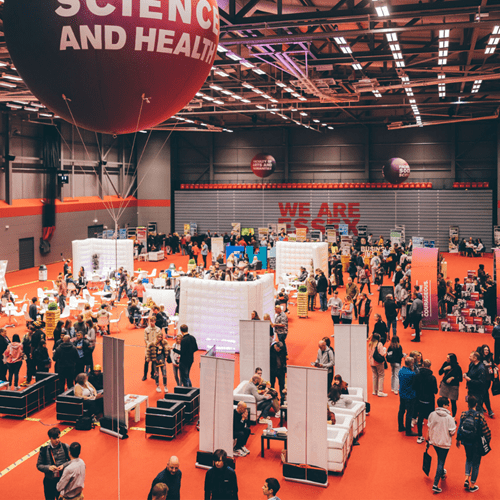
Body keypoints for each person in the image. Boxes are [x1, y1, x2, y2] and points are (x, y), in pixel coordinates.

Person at [456, 395, 491, 493]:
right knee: (476, 463)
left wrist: (458, 439)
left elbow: (460, 427)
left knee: (468, 458)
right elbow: (485, 431)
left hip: (466, 441)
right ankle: (472, 485)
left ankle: (466, 477)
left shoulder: (463, 414)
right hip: (477, 442)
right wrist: (487, 440)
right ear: (476, 404)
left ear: (468, 404)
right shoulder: (480, 416)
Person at [427, 397, 457, 494]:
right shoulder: (449, 418)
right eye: (447, 404)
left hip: (434, 441)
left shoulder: (432, 414)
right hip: (444, 443)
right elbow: (452, 432)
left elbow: (429, 426)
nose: (448, 405)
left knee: (440, 458)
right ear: (444, 405)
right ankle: (435, 484)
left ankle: (442, 472)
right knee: (441, 461)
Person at [37, 427, 70, 500]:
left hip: (62, 481)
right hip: (49, 481)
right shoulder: (44, 450)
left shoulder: (65, 447)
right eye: (54, 438)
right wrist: (48, 468)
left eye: (58, 437)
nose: (57, 440)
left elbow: (72, 461)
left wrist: (63, 465)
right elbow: (39, 465)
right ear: (50, 438)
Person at [414, 359, 438, 443]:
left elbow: (414, 387)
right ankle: (430, 437)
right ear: (430, 366)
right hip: (429, 401)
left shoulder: (417, 376)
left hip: (420, 400)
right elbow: (435, 391)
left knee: (420, 418)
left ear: (423, 365)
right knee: (431, 419)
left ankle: (420, 436)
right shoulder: (432, 378)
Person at [398, 356, 418, 436]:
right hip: (409, 395)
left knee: (401, 410)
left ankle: (400, 426)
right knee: (409, 413)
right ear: (411, 364)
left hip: (402, 393)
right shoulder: (412, 374)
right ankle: (408, 431)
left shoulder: (401, 370)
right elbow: (415, 384)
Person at [438, 353, 463, 418]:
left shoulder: (457, 367)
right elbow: (439, 373)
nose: (446, 359)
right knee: (444, 401)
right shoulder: (445, 364)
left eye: (448, 358)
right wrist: (444, 369)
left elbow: (460, 379)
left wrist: (452, 378)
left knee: (453, 402)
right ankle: (443, 415)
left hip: (453, 386)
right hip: (445, 385)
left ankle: (453, 417)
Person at [478, 344, 496, 417]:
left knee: (484, 393)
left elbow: (492, 364)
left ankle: (481, 407)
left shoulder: (490, 357)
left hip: (488, 379)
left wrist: (495, 367)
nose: (487, 351)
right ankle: (489, 410)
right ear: (482, 350)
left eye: (488, 350)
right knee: (485, 393)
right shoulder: (480, 358)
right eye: (485, 350)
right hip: (482, 379)